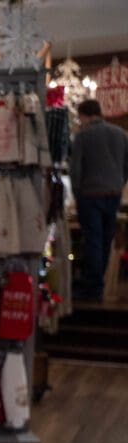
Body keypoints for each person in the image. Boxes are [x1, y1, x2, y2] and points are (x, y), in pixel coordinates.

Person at [70, 99, 128, 301]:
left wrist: (77, 194)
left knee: (93, 240)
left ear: (84, 115)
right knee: (105, 240)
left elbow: (75, 169)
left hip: (90, 194)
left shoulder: (82, 136)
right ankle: (97, 282)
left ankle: (92, 287)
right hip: (113, 193)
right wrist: (119, 183)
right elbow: (126, 165)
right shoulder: (120, 134)